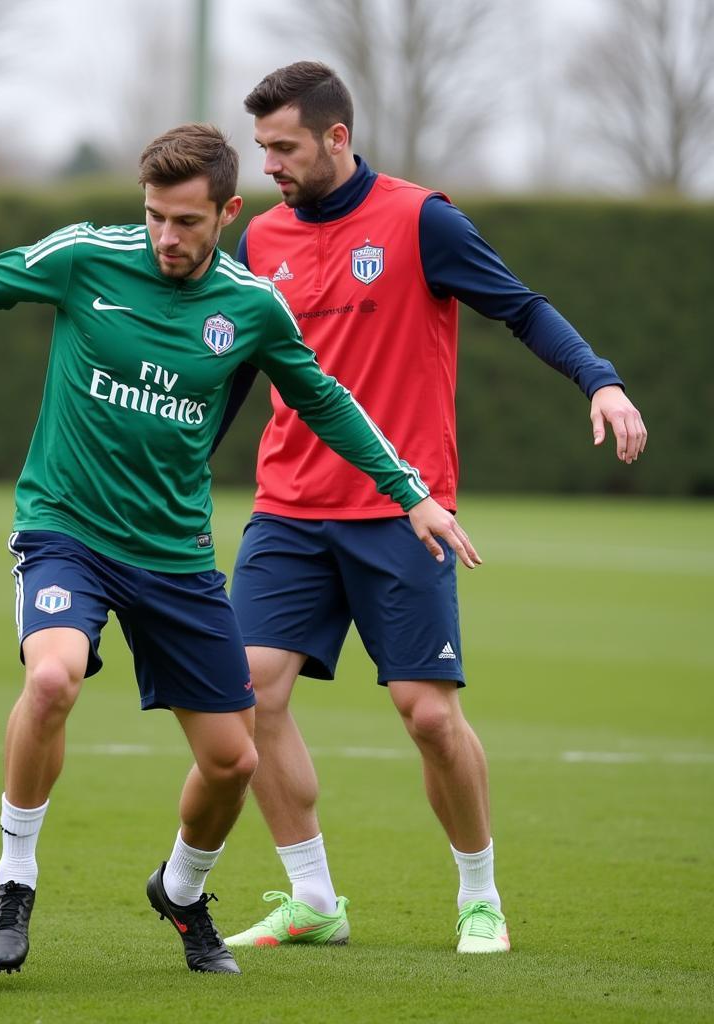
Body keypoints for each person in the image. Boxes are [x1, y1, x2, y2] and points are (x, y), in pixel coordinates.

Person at [0, 123, 480, 977]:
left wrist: (411, 496)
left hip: (176, 555)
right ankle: (15, 879)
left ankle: (181, 890)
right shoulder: (89, 257)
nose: (167, 238)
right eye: (155, 217)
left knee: (233, 760)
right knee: (53, 674)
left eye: (187, 221)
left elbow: (324, 400)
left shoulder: (252, 306)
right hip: (66, 526)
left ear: (227, 211)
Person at [218, 62, 647, 955]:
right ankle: (313, 899)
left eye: (285, 147)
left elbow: (521, 308)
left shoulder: (422, 220)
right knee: (248, 692)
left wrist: (599, 382)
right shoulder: (261, 241)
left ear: (337, 137)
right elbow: (235, 372)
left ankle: (479, 895)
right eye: (262, 149)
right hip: (289, 508)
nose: (271, 165)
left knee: (426, 712)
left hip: (402, 512)